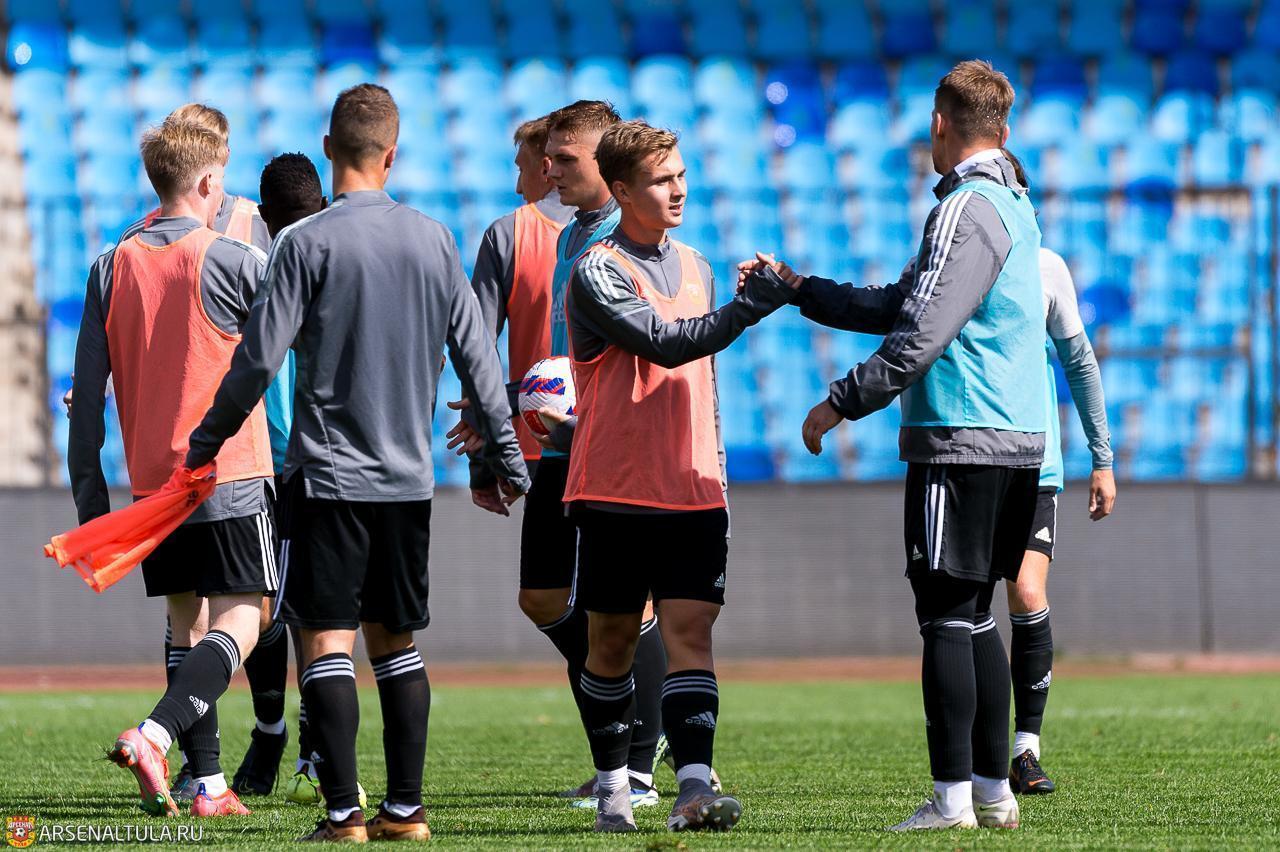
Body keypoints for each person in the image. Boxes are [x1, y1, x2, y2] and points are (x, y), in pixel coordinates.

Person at [182, 84, 529, 843]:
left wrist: (205, 442)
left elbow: (256, 361)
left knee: (324, 641)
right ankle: (404, 811)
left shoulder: (304, 243)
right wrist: (506, 454)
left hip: (327, 479)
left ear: (329, 148)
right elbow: (478, 356)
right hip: (409, 483)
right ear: (391, 154)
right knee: (396, 643)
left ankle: (343, 814)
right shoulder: (435, 239)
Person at [750, 60, 1042, 831]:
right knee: (975, 614)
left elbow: (917, 334)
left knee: (945, 613)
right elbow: (902, 302)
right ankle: (992, 793)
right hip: (1014, 440)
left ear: (939, 124)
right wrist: (799, 289)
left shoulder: (962, 209)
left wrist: (841, 401)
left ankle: (951, 799)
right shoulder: (1014, 204)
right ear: (1004, 128)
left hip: (960, 439)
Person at [560, 119, 797, 833]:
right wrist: (747, 311)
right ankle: (613, 787)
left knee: (692, 633)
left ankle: (692, 788)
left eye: (682, 175)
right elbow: (664, 345)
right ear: (622, 190)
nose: (678, 190)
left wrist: (715, 466)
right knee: (611, 642)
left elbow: (703, 373)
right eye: (661, 180)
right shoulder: (597, 270)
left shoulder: (697, 264)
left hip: (693, 487)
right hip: (615, 489)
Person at [66, 101, 294, 804]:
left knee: (184, 623)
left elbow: (85, 397)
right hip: (229, 471)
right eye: (221, 180)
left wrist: (92, 506)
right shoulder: (235, 258)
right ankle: (155, 735)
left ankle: (209, 781)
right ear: (206, 183)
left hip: (152, 486)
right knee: (244, 618)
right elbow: (301, 337)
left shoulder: (109, 266)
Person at [453, 101, 678, 809]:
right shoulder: (571, 236)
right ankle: (632, 717)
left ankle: (637, 764)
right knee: (543, 596)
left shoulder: (628, 239)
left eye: (565, 158)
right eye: (546, 157)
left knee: (624, 604)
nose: (549, 170)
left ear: (606, 162)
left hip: (610, 445)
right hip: (564, 442)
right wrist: (507, 406)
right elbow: (561, 357)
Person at [999, 150, 1117, 795]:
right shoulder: (954, 256)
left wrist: (1102, 457)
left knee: (1026, 592)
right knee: (965, 608)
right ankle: (974, 757)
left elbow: (1080, 362)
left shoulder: (1046, 268)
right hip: (967, 456)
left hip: (1034, 463)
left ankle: (1025, 748)